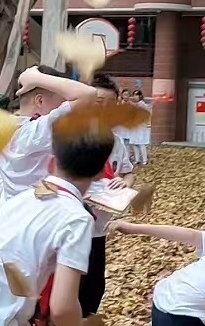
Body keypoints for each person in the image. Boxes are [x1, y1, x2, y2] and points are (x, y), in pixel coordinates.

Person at [0, 114, 115, 326]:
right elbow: (62, 309)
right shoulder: (76, 219)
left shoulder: (23, 197)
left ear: (51, 161)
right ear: (100, 172)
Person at [79, 74, 136, 317]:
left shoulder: (115, 142)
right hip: (68, 229)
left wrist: (124, 183)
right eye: (98, 100)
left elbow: (128, 172)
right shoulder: (66, 135)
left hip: (98, 229)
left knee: (93, 290)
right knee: (64, 293)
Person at [0, 65, 98, 204]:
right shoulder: (36, 131)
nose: (65, 106)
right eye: (62, 102)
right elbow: (88, 95)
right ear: (40, 101)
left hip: (14, 210)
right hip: (39, 212)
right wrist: (36, 78)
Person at [127, 90, 151, 165]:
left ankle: (144, 160)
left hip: (141, 127)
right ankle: (137, 159)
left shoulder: (143, 105)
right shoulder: (136, 105)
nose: (135, 96)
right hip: (134, 126)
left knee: (141, 143)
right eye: (134, 95)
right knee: (134, 143)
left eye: (137, 95)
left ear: (140, 96)